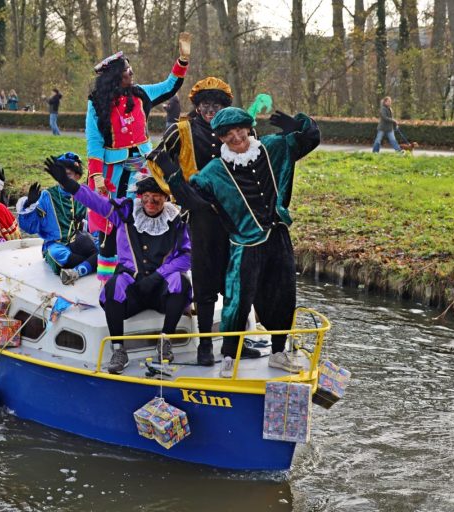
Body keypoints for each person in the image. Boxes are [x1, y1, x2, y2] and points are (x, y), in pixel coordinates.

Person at [157, 106, 320, 377]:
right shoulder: (213, 172)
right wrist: (172, 174)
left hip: (278, 237)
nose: (236, 137)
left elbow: (310, 139)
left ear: (248, 128)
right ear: (220, 138)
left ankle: (278, 353)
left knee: (282, 294)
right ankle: (229, 357)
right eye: (228, 134)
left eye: (239, 130)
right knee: (238, 300)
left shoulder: (272, 147)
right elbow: (193, 202)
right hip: (245, 245)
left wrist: (299, 125)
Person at [45, 160, 191, 374]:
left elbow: (187, 256)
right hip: (132, 287)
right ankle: (118, 350)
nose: (150, 202)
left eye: (156, 198)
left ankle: (165, 341)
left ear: (165, 198)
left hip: (161, 288)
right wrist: (69, 184)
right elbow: (95, 201)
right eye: (146, 198)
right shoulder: (126, 211)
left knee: (182, 282)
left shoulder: (176, 220)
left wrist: (160, 275)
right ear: (140, 197)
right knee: (114, 286)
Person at [85, 34, 190, 283]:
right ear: (115, 77)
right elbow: (94, 141)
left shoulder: (141, 94)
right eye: (127, 71)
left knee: (148, 217)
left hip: (144, 169)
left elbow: (169, 85)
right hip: (114, 174)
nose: (131, 73)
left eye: (130, 69)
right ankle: (109, 282)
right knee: (113, 223)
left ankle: (150, 274)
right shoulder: (96, 104)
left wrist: (182, 61)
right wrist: (97, 174)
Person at [147, 77, 236, 366]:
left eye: (216, 105)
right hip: (199, 216)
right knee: (205, 278)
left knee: (236, 278)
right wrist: (178, 191)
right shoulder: (181, 130)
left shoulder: (236, 130)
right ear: (197, 107)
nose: (211, 111)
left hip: (233, 214)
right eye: (205, 105)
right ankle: (205, 346)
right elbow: (157, 158)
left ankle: (235, 341)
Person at [17, 153, 98, 285]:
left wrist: (97, 242)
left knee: (104, 249)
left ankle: (78, 270)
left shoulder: (84, 193)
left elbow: (95, 223)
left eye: (68, 174)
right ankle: (90, 263)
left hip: (82, 242)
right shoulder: (47, 195)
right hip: (57, 244)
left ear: (77, 176)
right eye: (61, 175)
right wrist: (29, 205)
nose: (64, 179)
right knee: (58, 255)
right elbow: (30, 228)